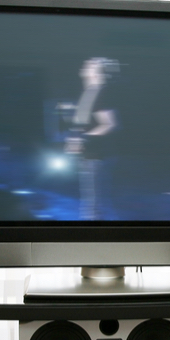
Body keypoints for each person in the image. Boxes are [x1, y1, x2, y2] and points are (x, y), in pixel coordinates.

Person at [65, 57, 120, 219]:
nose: (84, 66)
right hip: (88, 156)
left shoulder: (101, 92)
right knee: (90, 203)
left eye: (89, 65)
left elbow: (110, 124)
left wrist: (84, 139)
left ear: (98, 72)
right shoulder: (89, 92)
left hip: (97, 158)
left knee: (94, 206)